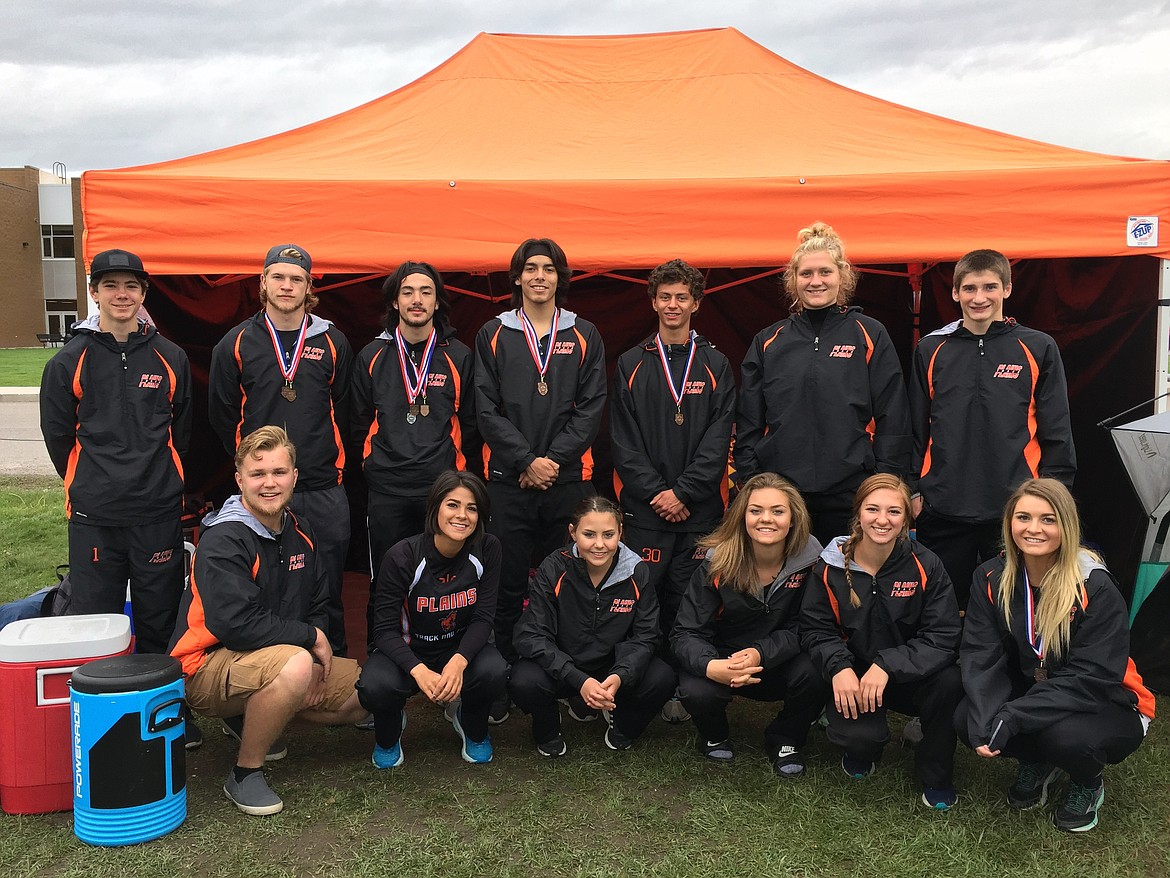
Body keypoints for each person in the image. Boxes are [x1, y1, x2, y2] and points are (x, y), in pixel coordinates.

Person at [170, 426, 366, 816]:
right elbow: (236, 625)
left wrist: (312, 650)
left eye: (279, 472)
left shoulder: (300, 528)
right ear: (240, 479)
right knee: (293, 669)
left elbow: (319, 601)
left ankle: (253, 714)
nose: (269, 483)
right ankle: (245, 773)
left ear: (295, 476)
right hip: (205, 666)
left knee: (365, 694)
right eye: (258, 475)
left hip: (276, 657)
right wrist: (309, 641)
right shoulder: (224, 538)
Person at [957, 478, 1154, 833]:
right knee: (968, 717)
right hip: (1040, 686)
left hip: (1109, 696)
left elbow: (1092, 676)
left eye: (1048, 519)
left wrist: (1015, 714)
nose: (1034, 529)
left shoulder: (1094, 585)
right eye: (1023, 517)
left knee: (1066, 739)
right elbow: (979, 651)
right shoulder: (990, 576)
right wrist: (991, 714)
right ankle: (1037, 761)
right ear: (1009, 522)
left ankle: (1087, 782)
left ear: (1067, 525)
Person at [40, 248, 191, 655]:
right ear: (94, 292)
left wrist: (162, 480)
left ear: (143, 293)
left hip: (157, 513)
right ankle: (98, 712)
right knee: (95, 624)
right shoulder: (67, 361)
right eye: (110, 285)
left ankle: (163, 712)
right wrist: (88, 480)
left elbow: (183, 432)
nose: (121, 294)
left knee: (159, 620)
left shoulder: (171, 357)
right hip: (95, 517)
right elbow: (57, 437)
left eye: (130, 286)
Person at [209, 244, 354, 654]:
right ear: (263, 283)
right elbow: (222, 416)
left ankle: (334, 670)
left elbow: (344, 409)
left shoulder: (333, 342)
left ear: (309, 287)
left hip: (323, 486)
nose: (287, 286)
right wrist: (258, 469)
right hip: (265, 491)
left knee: (327, 587)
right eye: (279, 277)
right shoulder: (235, 343)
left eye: (296, 279)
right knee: (268, 586)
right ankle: (273, 677)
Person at [910, 249, 1076, 609]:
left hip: (1014, 509)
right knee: (941, 610)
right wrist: (912, 491)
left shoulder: (1037, 346)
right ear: (955, 293)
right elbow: (915, 426)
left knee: (1012, 609)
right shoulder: (931, 349)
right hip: (943, 507)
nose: (979, 297)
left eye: (990, 287)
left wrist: (1054, 497)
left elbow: (1057, 430)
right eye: (969, 288)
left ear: (1007, 289)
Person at [474, 239, 607, 686]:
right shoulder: (492, 333)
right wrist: (528, 461)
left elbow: (591, 409)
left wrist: (551, 461)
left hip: (567, 481)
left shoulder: (585, 333)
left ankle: (566, 675)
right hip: (509, 482)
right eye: (530, 268)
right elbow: (486, 409)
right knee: (508, 584)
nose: (539, 277)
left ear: (559, 278)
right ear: (517, 277)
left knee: (567, 584)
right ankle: (507, 675)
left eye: (548, 269)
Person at [610, 258, 735, 725]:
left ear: (696, 303)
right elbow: (623, 442)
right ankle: (646, 685)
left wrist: (684, 492)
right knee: (645, 602)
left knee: (693, 601)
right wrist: (658, 493)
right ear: (653, 301)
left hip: (700, 511)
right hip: (646, 512)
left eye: (682, 297)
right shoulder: (630, 363)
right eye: (665, 296)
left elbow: (719, 438)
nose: (673, 305)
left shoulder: (717, 363)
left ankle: (690, 688)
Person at [736, 223, 910, 544]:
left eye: (825, 272)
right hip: (784, 494)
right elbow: (748, 420)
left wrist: (883, 481)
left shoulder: (869, 334)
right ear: (793, 280)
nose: (816, 282)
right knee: (787, 586)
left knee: (844, 584)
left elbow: (893, 415)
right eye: (806, 274)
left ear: (842, 276)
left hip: (851, 490)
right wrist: (752, 480)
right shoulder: (769, 340)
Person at [801, 474, 962, 810]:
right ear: (858, 512)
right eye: (873, 509)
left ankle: (935, 775)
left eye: (894, 511)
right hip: (856, 676)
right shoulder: (830, 565)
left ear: (906, 518)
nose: (882, 520)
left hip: (907, 673)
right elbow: (816, 629)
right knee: (859, 739)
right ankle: (862, 747)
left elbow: (942, 636)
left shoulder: (926, 564)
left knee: (950, 682)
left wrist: (889, 664)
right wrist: (839, 668)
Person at [351, 261, 476, 640]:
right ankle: (382, 657)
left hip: (441, 490)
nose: (417, 300)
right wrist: (375, 464)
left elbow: (471, 421)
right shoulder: (371, 355)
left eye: (426, 292)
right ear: (394, 302)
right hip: (388, 488)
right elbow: (356, 420)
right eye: (407, 292)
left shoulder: (459, 355)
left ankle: (442, 656)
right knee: (387, 578)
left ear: (438, 302)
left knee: (444, 578)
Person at [671, 473, 824, 776]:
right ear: (742, 516)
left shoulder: (812, 559)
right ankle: (714, 735)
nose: (766, 519)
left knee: (818, 667)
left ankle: (786, 737)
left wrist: (759, 653)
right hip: (724, 659)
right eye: (755, 511)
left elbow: (811, 625)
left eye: (777, 511)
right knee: (696, 688)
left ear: (793, 518)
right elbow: (685, 632)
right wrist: (711, 665)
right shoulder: (716, 562)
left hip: (780, 660)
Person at [356, 470, 506, 767]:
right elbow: (383, 630)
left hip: (457, 650)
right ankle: (389, 729)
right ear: (434, 507)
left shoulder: (488, 549)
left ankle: (471, 724)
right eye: (452, 505)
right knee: (375, 684)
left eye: (472, 508)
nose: (462, 515)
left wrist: (460, 660)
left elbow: (484, 617)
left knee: (494, 669)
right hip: (409, 651)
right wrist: (418, 670)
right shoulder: (402, 556)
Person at [510, 496, 675, 756]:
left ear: (621, 532)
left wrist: (620, 675)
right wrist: (578, 679)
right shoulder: (554, 566)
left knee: (662, 676)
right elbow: (530, 634)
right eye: (589, 534)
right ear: (573, 533)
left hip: (612, 670)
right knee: (524, 679)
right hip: (565, 668)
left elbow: (647, 635)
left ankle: (623, 726)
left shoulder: (637, 571)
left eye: (609, 534)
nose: (600, 544)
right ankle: (548, 728)